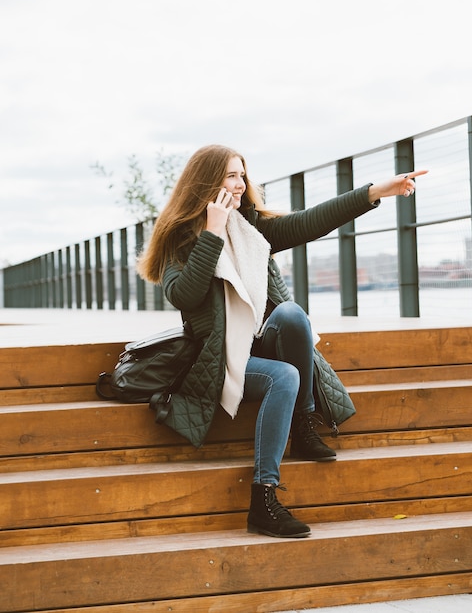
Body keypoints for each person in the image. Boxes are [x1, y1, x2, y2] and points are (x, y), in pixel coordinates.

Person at [137, 144, 427, 539]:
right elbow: (183, 297)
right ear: (206, 182)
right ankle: (264, 499)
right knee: (284, 376)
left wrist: (375, 192)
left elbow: (309, 222)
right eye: (230, 176)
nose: (240, 185)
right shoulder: (181, 238)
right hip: (220, 359)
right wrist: (213, 232)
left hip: (259, 341)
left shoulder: (252, 230)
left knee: (291, 314)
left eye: (242, 175)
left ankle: (303, 423)